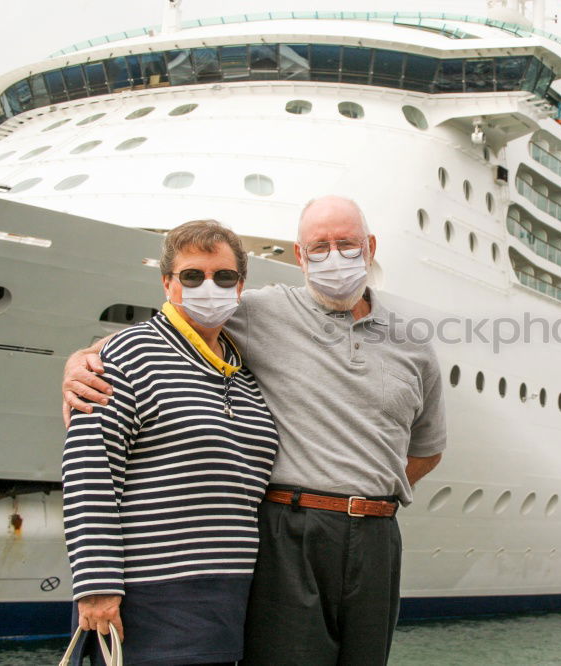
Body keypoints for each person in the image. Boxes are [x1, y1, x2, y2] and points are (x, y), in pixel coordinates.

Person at [63, 196, 447, 665]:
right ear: (300, 256)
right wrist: (84, 355)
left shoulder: (413, 345)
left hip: (370, 537)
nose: (334, 256)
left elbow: (427, 449)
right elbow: (173, 324)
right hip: (287, 531)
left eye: (345, 244)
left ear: (369, 246)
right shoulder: (261, 312)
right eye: (319, 246)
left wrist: (370, 490)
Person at [61, 220, 279, 665]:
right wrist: (97, 589)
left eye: (223, 277)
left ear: (241, 285)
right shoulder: (125, 356)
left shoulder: (244, 376)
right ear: (167, 282)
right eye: (192, 276)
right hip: (144, 606)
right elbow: (89, 471)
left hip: (227, 605)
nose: (209, 286)